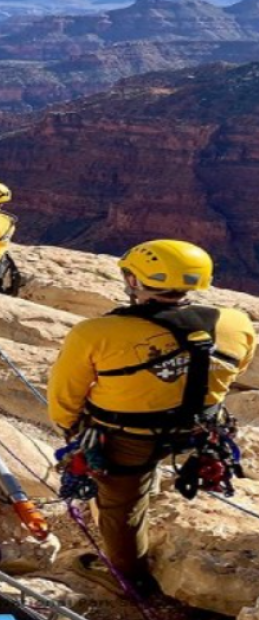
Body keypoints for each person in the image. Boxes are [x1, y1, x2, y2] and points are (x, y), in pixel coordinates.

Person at [47, 239, 256, 596]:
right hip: (200, 431)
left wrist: (70, 429)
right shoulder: (236, 323)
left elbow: (64, 396)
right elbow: (238, 369)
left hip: (125, 437)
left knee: (120, 507)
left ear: (134, 280)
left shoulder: (95, 333)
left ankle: (130, 578)